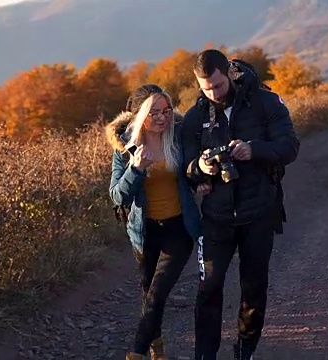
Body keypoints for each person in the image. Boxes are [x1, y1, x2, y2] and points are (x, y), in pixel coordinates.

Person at [181, 49, 300, 359]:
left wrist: (254, 150)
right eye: (205, 88)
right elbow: (186, 166)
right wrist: (200, 169)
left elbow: (290, 146)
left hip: (259, 212)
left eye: (218, 86)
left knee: (253, 289)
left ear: (229, 74)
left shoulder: (264, 103)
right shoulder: (196, 116)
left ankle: (245, 351)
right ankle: (205, 355)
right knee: (208, 289)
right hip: (216, 218)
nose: (213, 93)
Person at [107, 84, 201, 360]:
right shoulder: (125, 146)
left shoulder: (180, 135)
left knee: (158, 293)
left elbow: (194, 172)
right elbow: (117, 195)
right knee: (149, 295)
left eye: (167, 110)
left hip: (179, 228)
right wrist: (136, 169)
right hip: (144, 231)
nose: (162, 117)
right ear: (139, 116)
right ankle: (157, 350)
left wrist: (202, 181)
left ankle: (135, 353)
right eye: (154, 112)